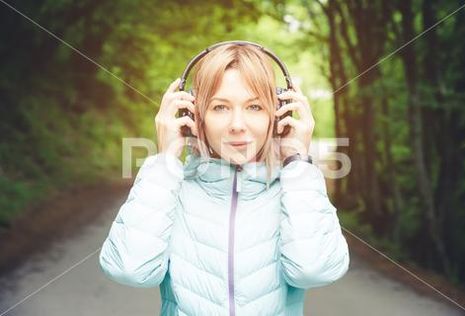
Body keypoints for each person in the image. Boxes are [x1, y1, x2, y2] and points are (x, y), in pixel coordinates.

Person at [99, 41, 350, 316]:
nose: (237, 124)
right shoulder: (171, 189)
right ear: (194, 114)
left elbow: (313, 270)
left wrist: (298, 163)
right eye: (220, 107)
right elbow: (130, 269)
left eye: (254, 107)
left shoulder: (293, 190)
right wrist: (166, 160)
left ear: (279, 114)